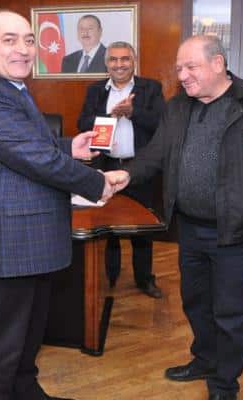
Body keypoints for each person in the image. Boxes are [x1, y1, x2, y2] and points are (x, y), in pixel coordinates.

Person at [105, 35, 243, 400]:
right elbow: (156, 153)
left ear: (218, 63)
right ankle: (205, 360)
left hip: (238, 231)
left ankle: (224, 384)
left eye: (190, 67)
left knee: (231, 312)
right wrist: (127, 175)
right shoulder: (178, 107)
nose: (182, 75)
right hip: (191, 229)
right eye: (179, 68)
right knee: (195, 303)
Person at [0, 10, 117, 400]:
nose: (23, 50)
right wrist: (98, 183)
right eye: (9, 40)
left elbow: (25, 146)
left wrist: (68, 146)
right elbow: (36, 159)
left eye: (28, 40)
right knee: (2, 351)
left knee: (25, 342)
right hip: (6, 247)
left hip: (27, 244)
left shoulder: (9, 87)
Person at [77, 41, 166, 298]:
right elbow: (82, 122)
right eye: (113, 60)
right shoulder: (96, 90)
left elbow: (162, 123)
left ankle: (144, 279)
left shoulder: (150, 88)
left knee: (142, 229)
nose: (119, 64)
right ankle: (111, 275)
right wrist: (110, 116)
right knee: (108, 226)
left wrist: (132, 112)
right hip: (106, 167)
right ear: (106, 64)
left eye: (125, 59)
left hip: (139, 168)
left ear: (133, 61)